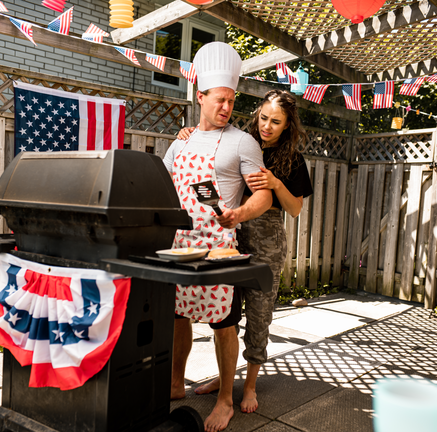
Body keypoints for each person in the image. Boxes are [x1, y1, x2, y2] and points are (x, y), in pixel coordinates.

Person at [177, 89, 314, 414]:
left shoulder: (293, 159)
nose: (267, 125)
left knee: (258, 315)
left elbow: (295, 210)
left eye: (275, 122)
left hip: (266, 244)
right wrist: (188, 134)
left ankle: (248, 385)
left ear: (287, 125)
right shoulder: (236, 140)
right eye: (264, 118)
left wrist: (276, 183)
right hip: (231, 239)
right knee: (226, 315)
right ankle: (226, 378)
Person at [162, 42, 273, 432]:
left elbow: (263, 194)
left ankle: (225, 398)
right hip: (179, 246)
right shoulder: (181, 141)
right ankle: (176, 383)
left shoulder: (243, 141)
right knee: (178, 316)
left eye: (231, 100)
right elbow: (162, 186)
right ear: (200, 96)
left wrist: (238, 214)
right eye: (219, 100)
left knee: (223, 323)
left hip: (220, 247)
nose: (226, 107)